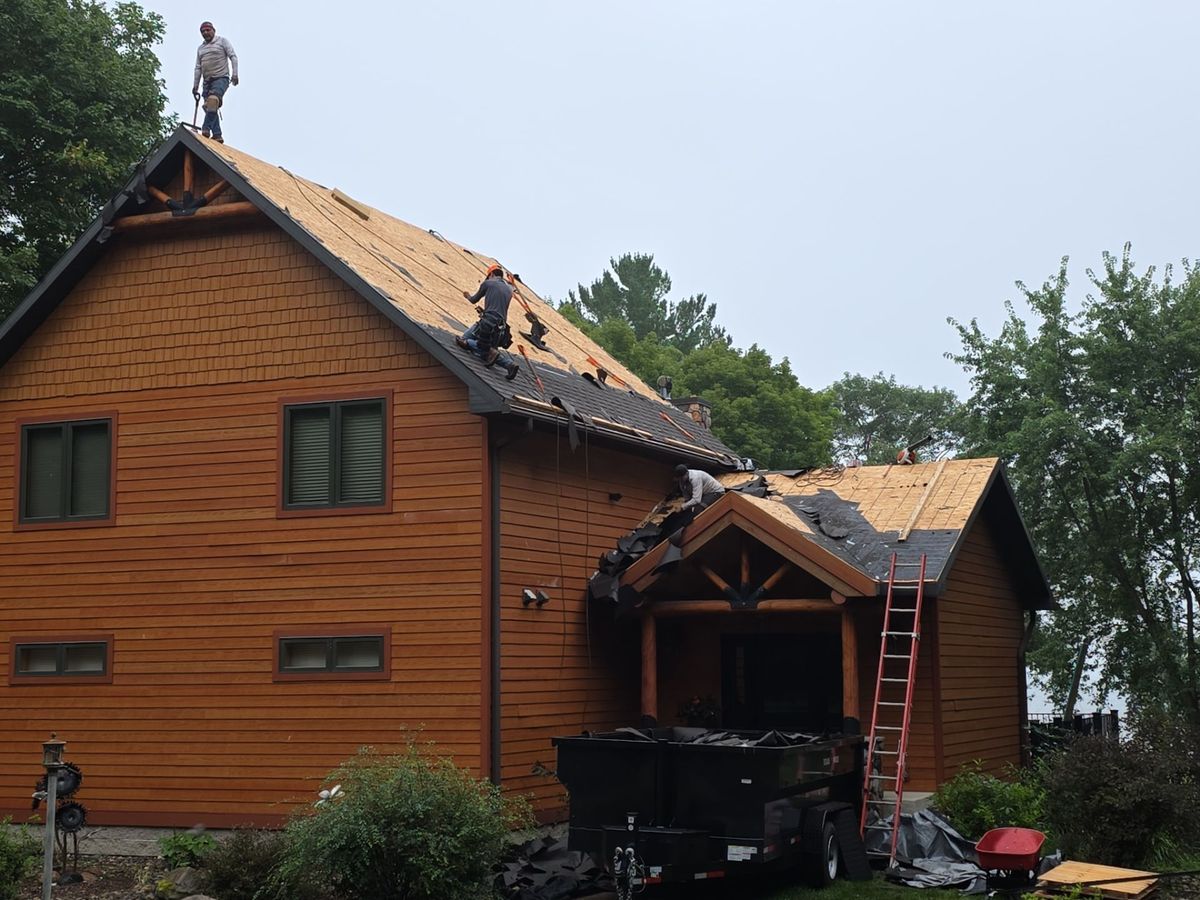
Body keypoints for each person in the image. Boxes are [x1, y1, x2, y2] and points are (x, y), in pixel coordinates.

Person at [458, 265, 519, 379]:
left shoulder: (488, 283)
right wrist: (485, 311)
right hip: (501, 327)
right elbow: (497, 308)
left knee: (464, 340)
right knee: (486, 355)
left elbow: (473, 300)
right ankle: (509, 364)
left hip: (488, 323)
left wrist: (467, 295)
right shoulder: (509, 290)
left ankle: (489, 350)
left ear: (491, 274)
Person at [192, 21, 238, 143]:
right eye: (203, 31)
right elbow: (198, 68)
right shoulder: (201, 48)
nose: (205, 33)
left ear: (213, 30)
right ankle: (217, 135)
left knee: (213, 101)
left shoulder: (222, 41)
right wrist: (195, 86)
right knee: (208, 107)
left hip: (221, 78)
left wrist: (235, 73)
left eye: (207, 30)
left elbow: (233, 56)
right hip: (207, 82)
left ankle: (205, 128)